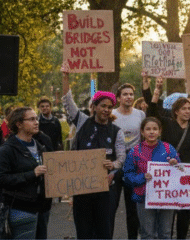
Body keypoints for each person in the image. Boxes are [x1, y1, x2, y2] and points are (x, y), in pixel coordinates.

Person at [61, 72, 126, 239]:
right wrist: (66, 77)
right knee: (84, 230)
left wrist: (113, 168)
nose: (106, 109)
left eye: (110, 107)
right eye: (103, 106)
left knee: (104, 230)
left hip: (105, 188)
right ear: (94, 106)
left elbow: (121, 158)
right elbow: (68, 103)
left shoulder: (116, 131)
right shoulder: (82, 121)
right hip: (82, 188)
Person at [145, 76, 190, 239]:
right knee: (168, 212)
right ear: (176, 111)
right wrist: (156, 90)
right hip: (168, 174)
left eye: (189, 108)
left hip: (186, 175)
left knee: (184, 213)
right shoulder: (167, 124)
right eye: (184, 108)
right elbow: (151, 112)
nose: (187, 111)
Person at [0, 107, 52, 239]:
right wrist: (32, 174)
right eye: (31, 119)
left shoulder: (40, 146)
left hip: (41, 209)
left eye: (36, 119)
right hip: (19, 209)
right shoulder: (7, 150)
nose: (36, 122)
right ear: (18, 124)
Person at [123, 117, 181, 239]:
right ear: (142, 132)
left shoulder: (168, 149)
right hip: (143, 197)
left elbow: (181, 172)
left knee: (165, 233)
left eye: (155, 129)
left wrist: (175, 164)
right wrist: (142, 177)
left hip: (166, 197)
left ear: (160, 131)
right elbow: (127, 176)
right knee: (147, 234)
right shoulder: (135, 151)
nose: (151, 132)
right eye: (148, 129)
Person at [112, 82, 146, 240]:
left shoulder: (140, 114)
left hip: (135, 163)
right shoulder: (112, 114)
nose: (129, 97)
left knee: (133, 206)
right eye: (125, 94)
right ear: (119, 98)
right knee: (111, 205)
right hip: (115, 163)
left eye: (131, 94)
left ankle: (133, 237)